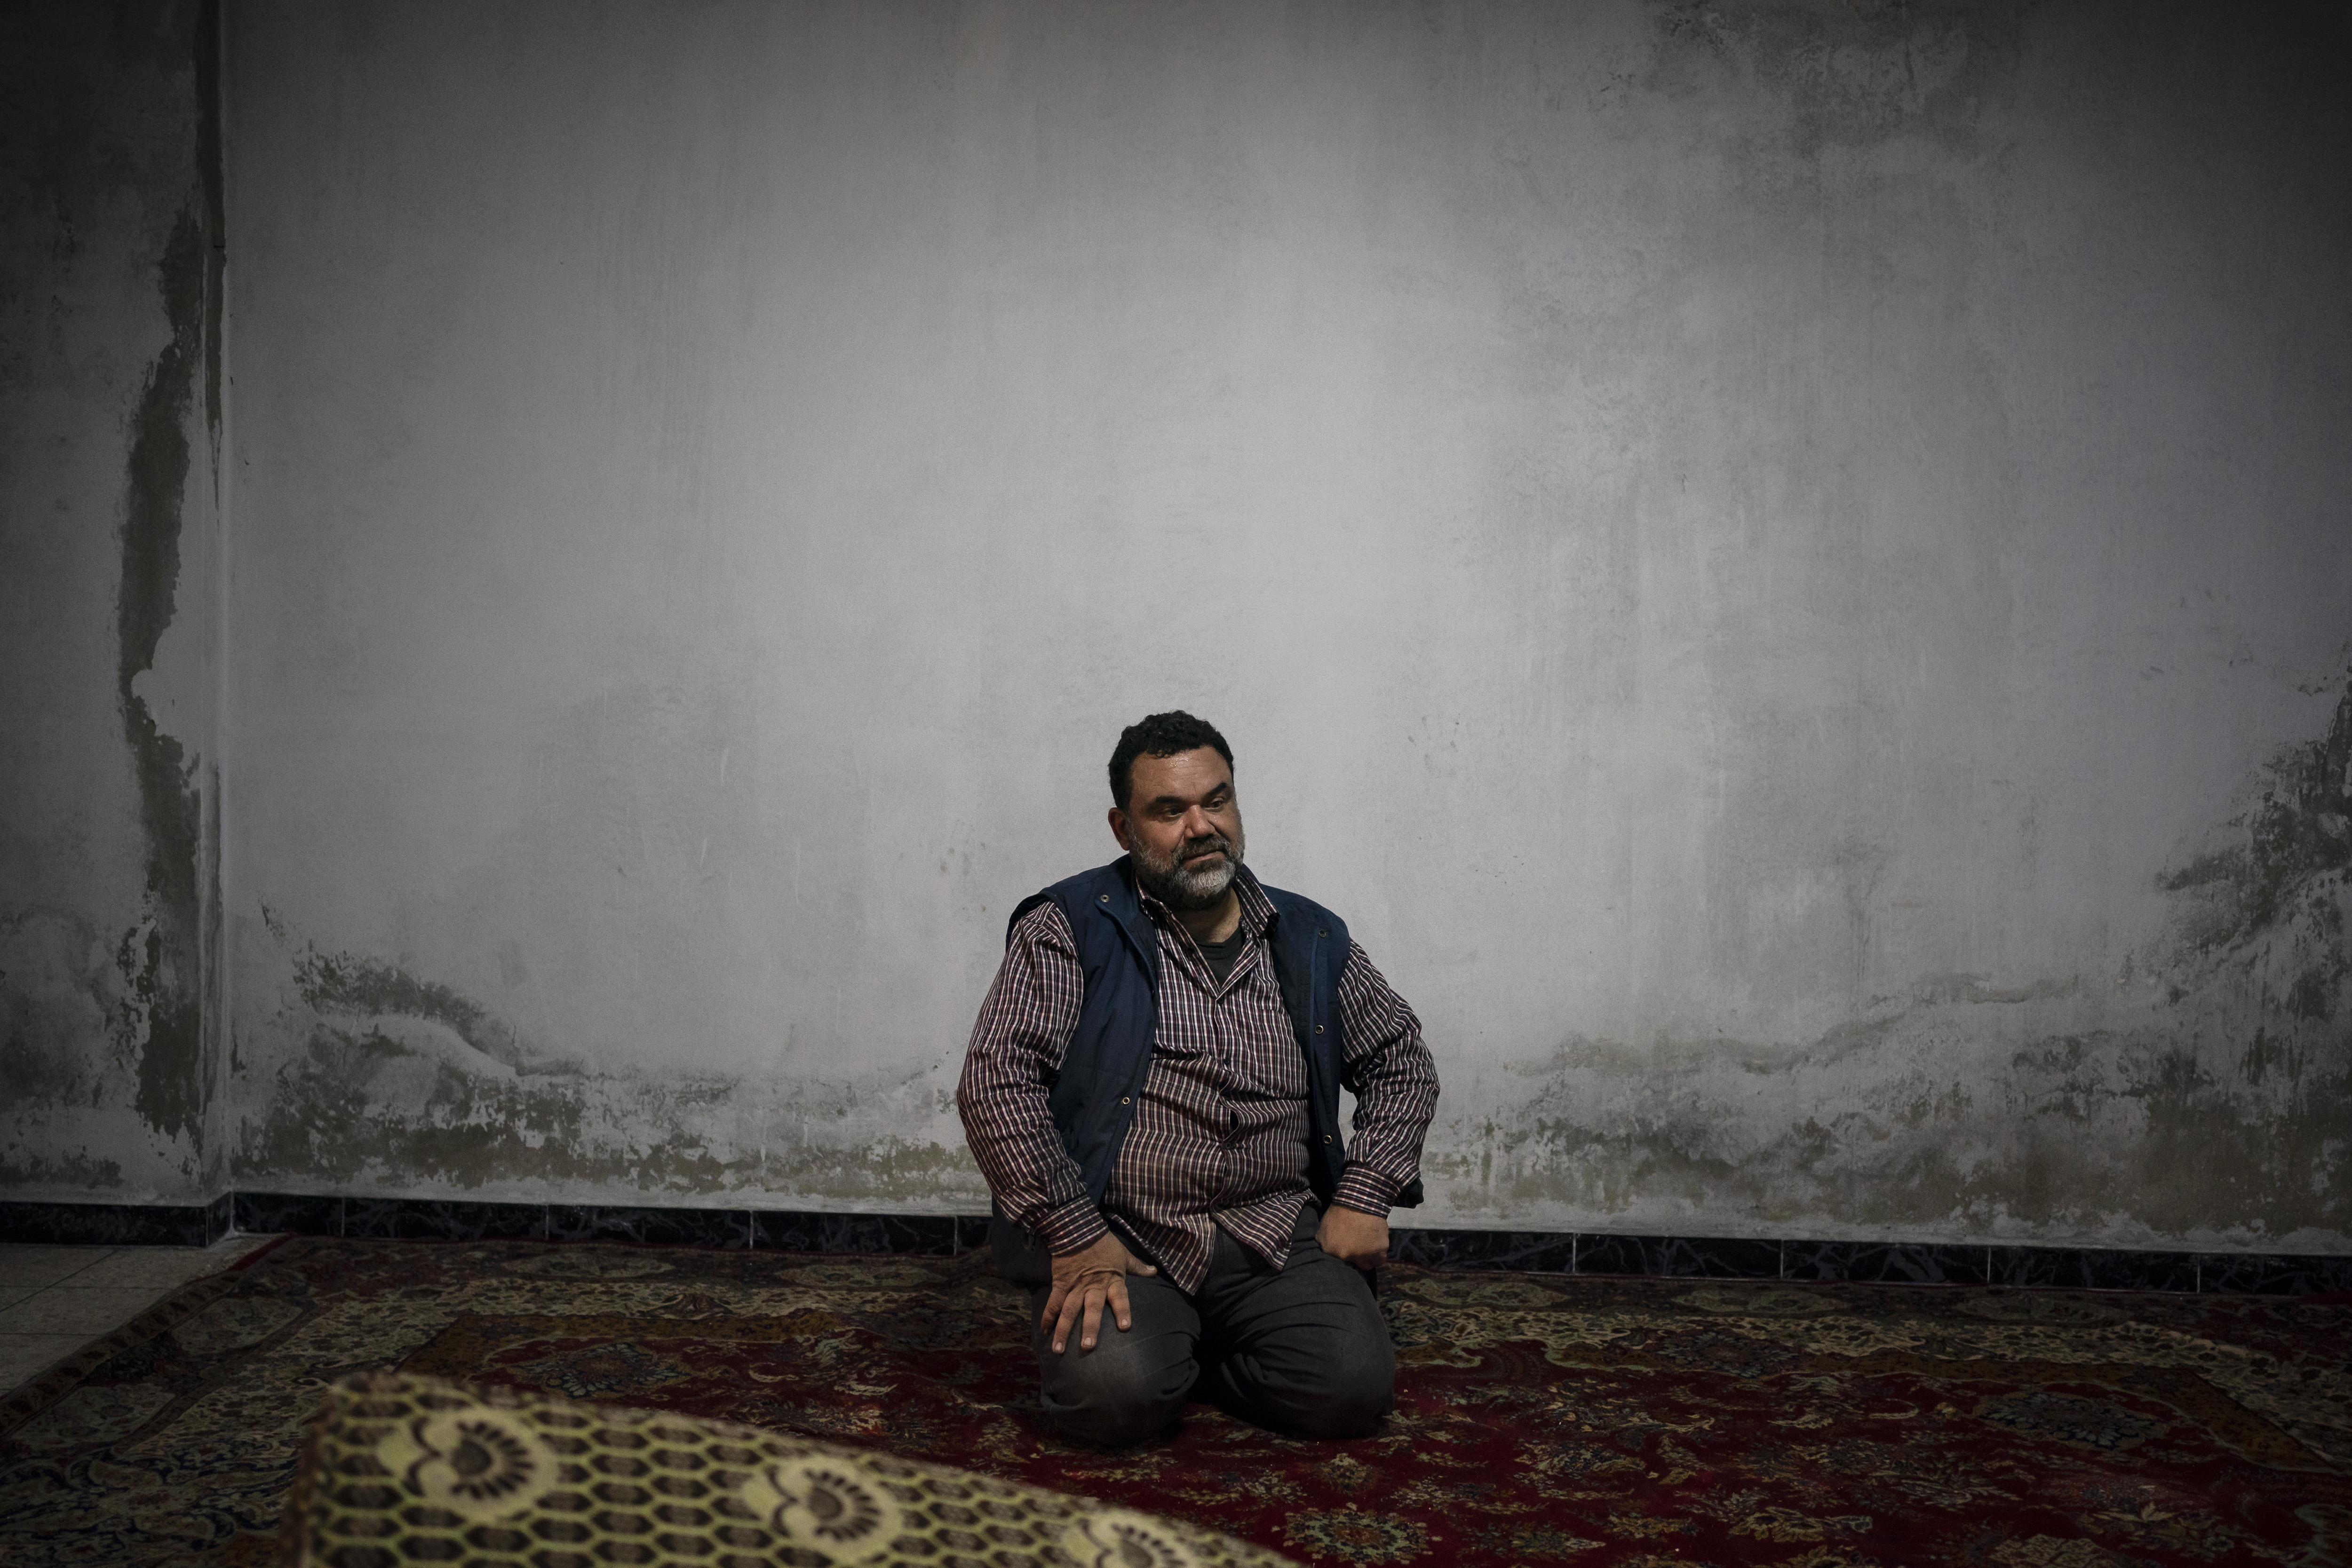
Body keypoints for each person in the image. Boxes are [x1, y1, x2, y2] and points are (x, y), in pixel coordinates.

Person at [957, 711, 1440, 1445]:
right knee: (1112, 1401)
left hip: (1274, 1230)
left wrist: (1366, 1191)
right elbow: (997, 1081)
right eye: (1169, 810)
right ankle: (1164, 1346)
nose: (1200, 826)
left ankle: (1199, 1351)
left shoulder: (1306, 935)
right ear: (1123, 829)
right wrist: (1073, 1233)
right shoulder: (1069, 927)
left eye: (1215, 800)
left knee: (1350, 1393)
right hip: (1125, 1234)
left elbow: (1401, 1055)